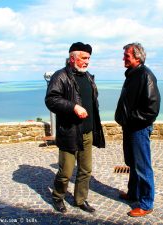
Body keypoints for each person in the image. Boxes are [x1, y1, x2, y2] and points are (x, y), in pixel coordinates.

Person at [45, 42, 105, 214]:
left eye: (88, 58)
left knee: (86, 170)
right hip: (70, 132)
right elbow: (51, 100)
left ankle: (80, 200)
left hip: (87, 133)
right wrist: (73, 107)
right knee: (65, 172)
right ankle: (58, 198)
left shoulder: (88, 77)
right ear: (72, 59)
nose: (87, 62)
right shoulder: (60, 76)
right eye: (83, 58)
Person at [115, 42, 161, 217]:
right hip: (130, 127)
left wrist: (132, 119)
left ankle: (146, 203)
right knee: (132, 163)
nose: (123, 59)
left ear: (137, 57)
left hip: (139, 128)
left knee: (142, 166)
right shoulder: (133, 74)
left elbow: (152, 109)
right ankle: (133, 193)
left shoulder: (145, 75)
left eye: (126, 56)